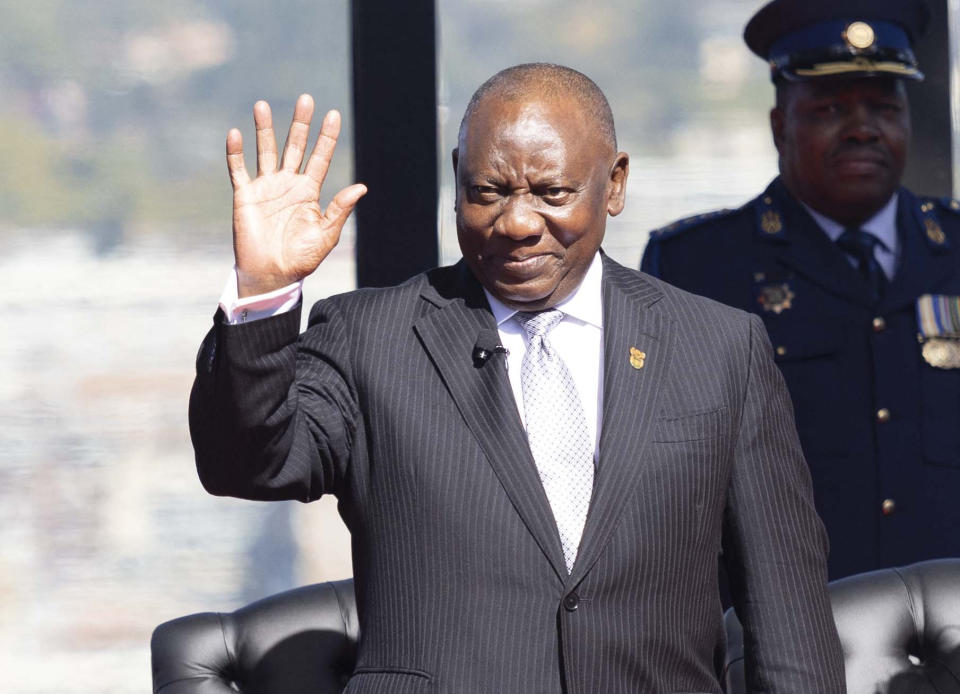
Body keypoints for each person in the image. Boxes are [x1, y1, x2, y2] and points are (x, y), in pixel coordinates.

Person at [190, 63, 844, 692]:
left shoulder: (719, 348)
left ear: (613, 185)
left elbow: (786, 609)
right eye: (488, 193)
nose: (519, 224)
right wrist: (264, 290)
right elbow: (246, 461)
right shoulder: (372, 340)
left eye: (552, 193)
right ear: (457, 180)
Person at [642, 0, 960, 581]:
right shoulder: (700, 268)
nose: (863, 129)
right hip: (786, 640)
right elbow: (666, 490)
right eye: (831, 108)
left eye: (884, 108)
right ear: (779, 125)